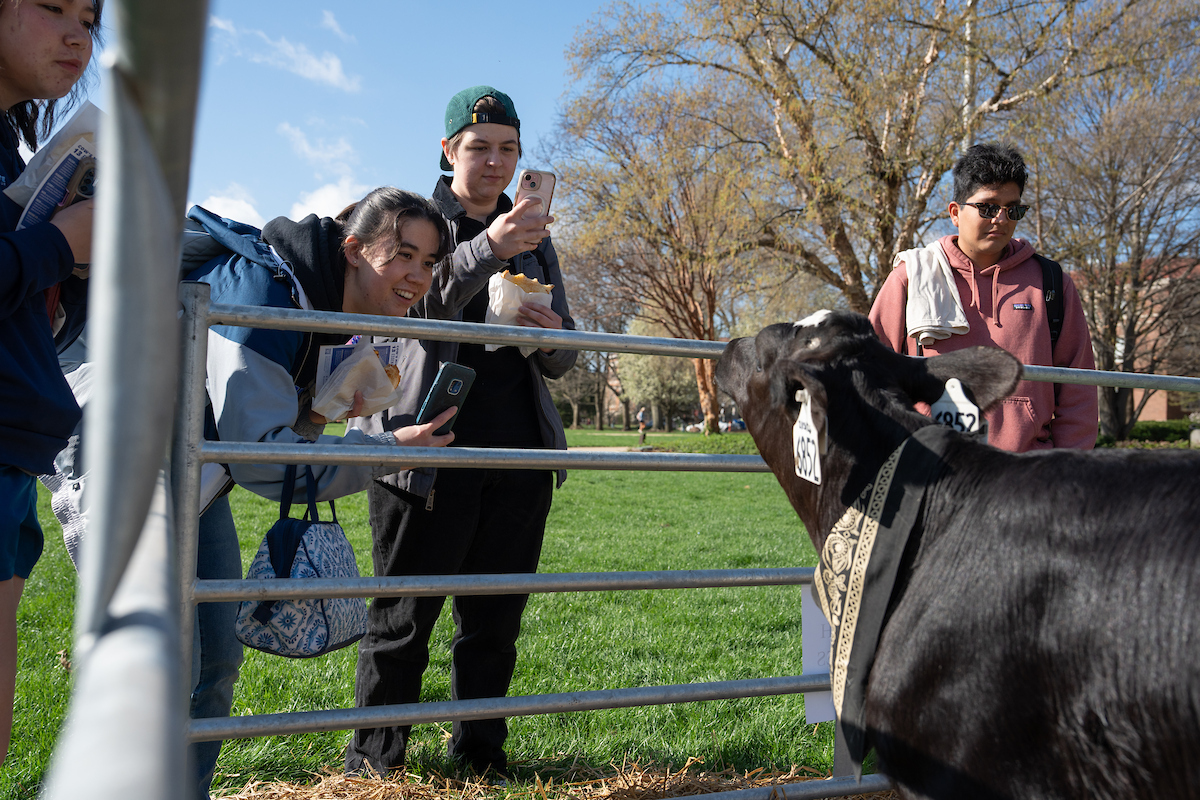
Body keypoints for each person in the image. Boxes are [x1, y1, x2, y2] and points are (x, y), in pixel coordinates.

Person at [183, 188, 459, 800]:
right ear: (355, 251)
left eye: (429, 261)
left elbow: (266, 435)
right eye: (404, 256)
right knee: (168, 672)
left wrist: (322, 410)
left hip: (193, 482)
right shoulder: (264, 296)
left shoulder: (319, 305)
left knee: (214, 664)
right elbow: (265, 461)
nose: (418, 277)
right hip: (126, 469)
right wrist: (387, 452)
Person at [347, 85, 576, 780]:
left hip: (518, 454)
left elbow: (565, 362)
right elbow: (421, 298)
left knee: (494, 622)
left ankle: (479, 757)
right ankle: (373, 766)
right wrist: (488, 247)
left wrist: (556, 335)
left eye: (509, 149)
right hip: (425, 451)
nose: (496, 163)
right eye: (479, 148)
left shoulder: (536, 237)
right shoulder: (413, 221)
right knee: (402, 621)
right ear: (448, 151)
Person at [0, 0, 100, 766]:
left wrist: (70, 268)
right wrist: (55, 245)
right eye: (53, 7)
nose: (77, 34)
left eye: (90, 17)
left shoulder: (14, 142)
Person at [868, 142, 1098, 452]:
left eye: (1013, 209)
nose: (1001, 219)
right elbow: (870, 377)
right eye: (988, 208)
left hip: (1026, 477)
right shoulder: (911, 279)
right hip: (931, 472)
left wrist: (1067, 469)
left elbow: (1078, 391)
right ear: (955, 212)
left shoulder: (1052, 284)